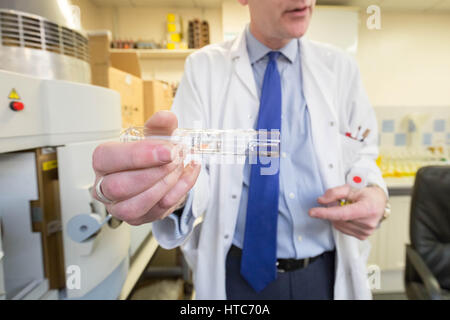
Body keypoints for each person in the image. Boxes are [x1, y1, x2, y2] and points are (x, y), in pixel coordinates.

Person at [92, 0, 389, 300]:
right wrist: (173, 191)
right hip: (237, 277)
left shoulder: (340, 68)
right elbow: (193, 165)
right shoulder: (204, 67)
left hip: (324, 275)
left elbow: (363, 154)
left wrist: (376, 193)